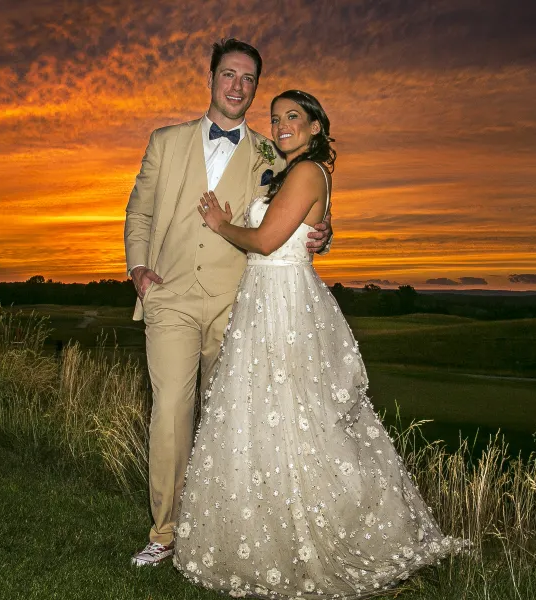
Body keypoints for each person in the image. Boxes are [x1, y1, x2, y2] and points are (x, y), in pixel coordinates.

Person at [172, 90, 468, 598]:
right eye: (276, 117)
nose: (281, 124)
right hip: (263, 299)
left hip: (284, 302)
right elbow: (291, 228)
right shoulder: (286, 171)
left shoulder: (309, 172)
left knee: (299, 418)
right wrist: (318, 230)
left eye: (293, 117)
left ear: (314, 128)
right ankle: (268, 533)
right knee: (264, 416)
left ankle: (326, 534)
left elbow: (266, 241)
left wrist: (222, 224)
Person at [123, 39, 333, 567]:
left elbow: (294, 205)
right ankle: (165, 532)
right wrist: (138, 270)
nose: (238, 86)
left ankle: (218, 524)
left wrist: (322, 230)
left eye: (248, 79)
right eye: (229, 75)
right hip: (169, 294)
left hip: (236, 302)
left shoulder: (270, 151)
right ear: (212, 78)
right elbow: (139, 213)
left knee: (228, 420)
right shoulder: (165, 141)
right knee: (171, 410)